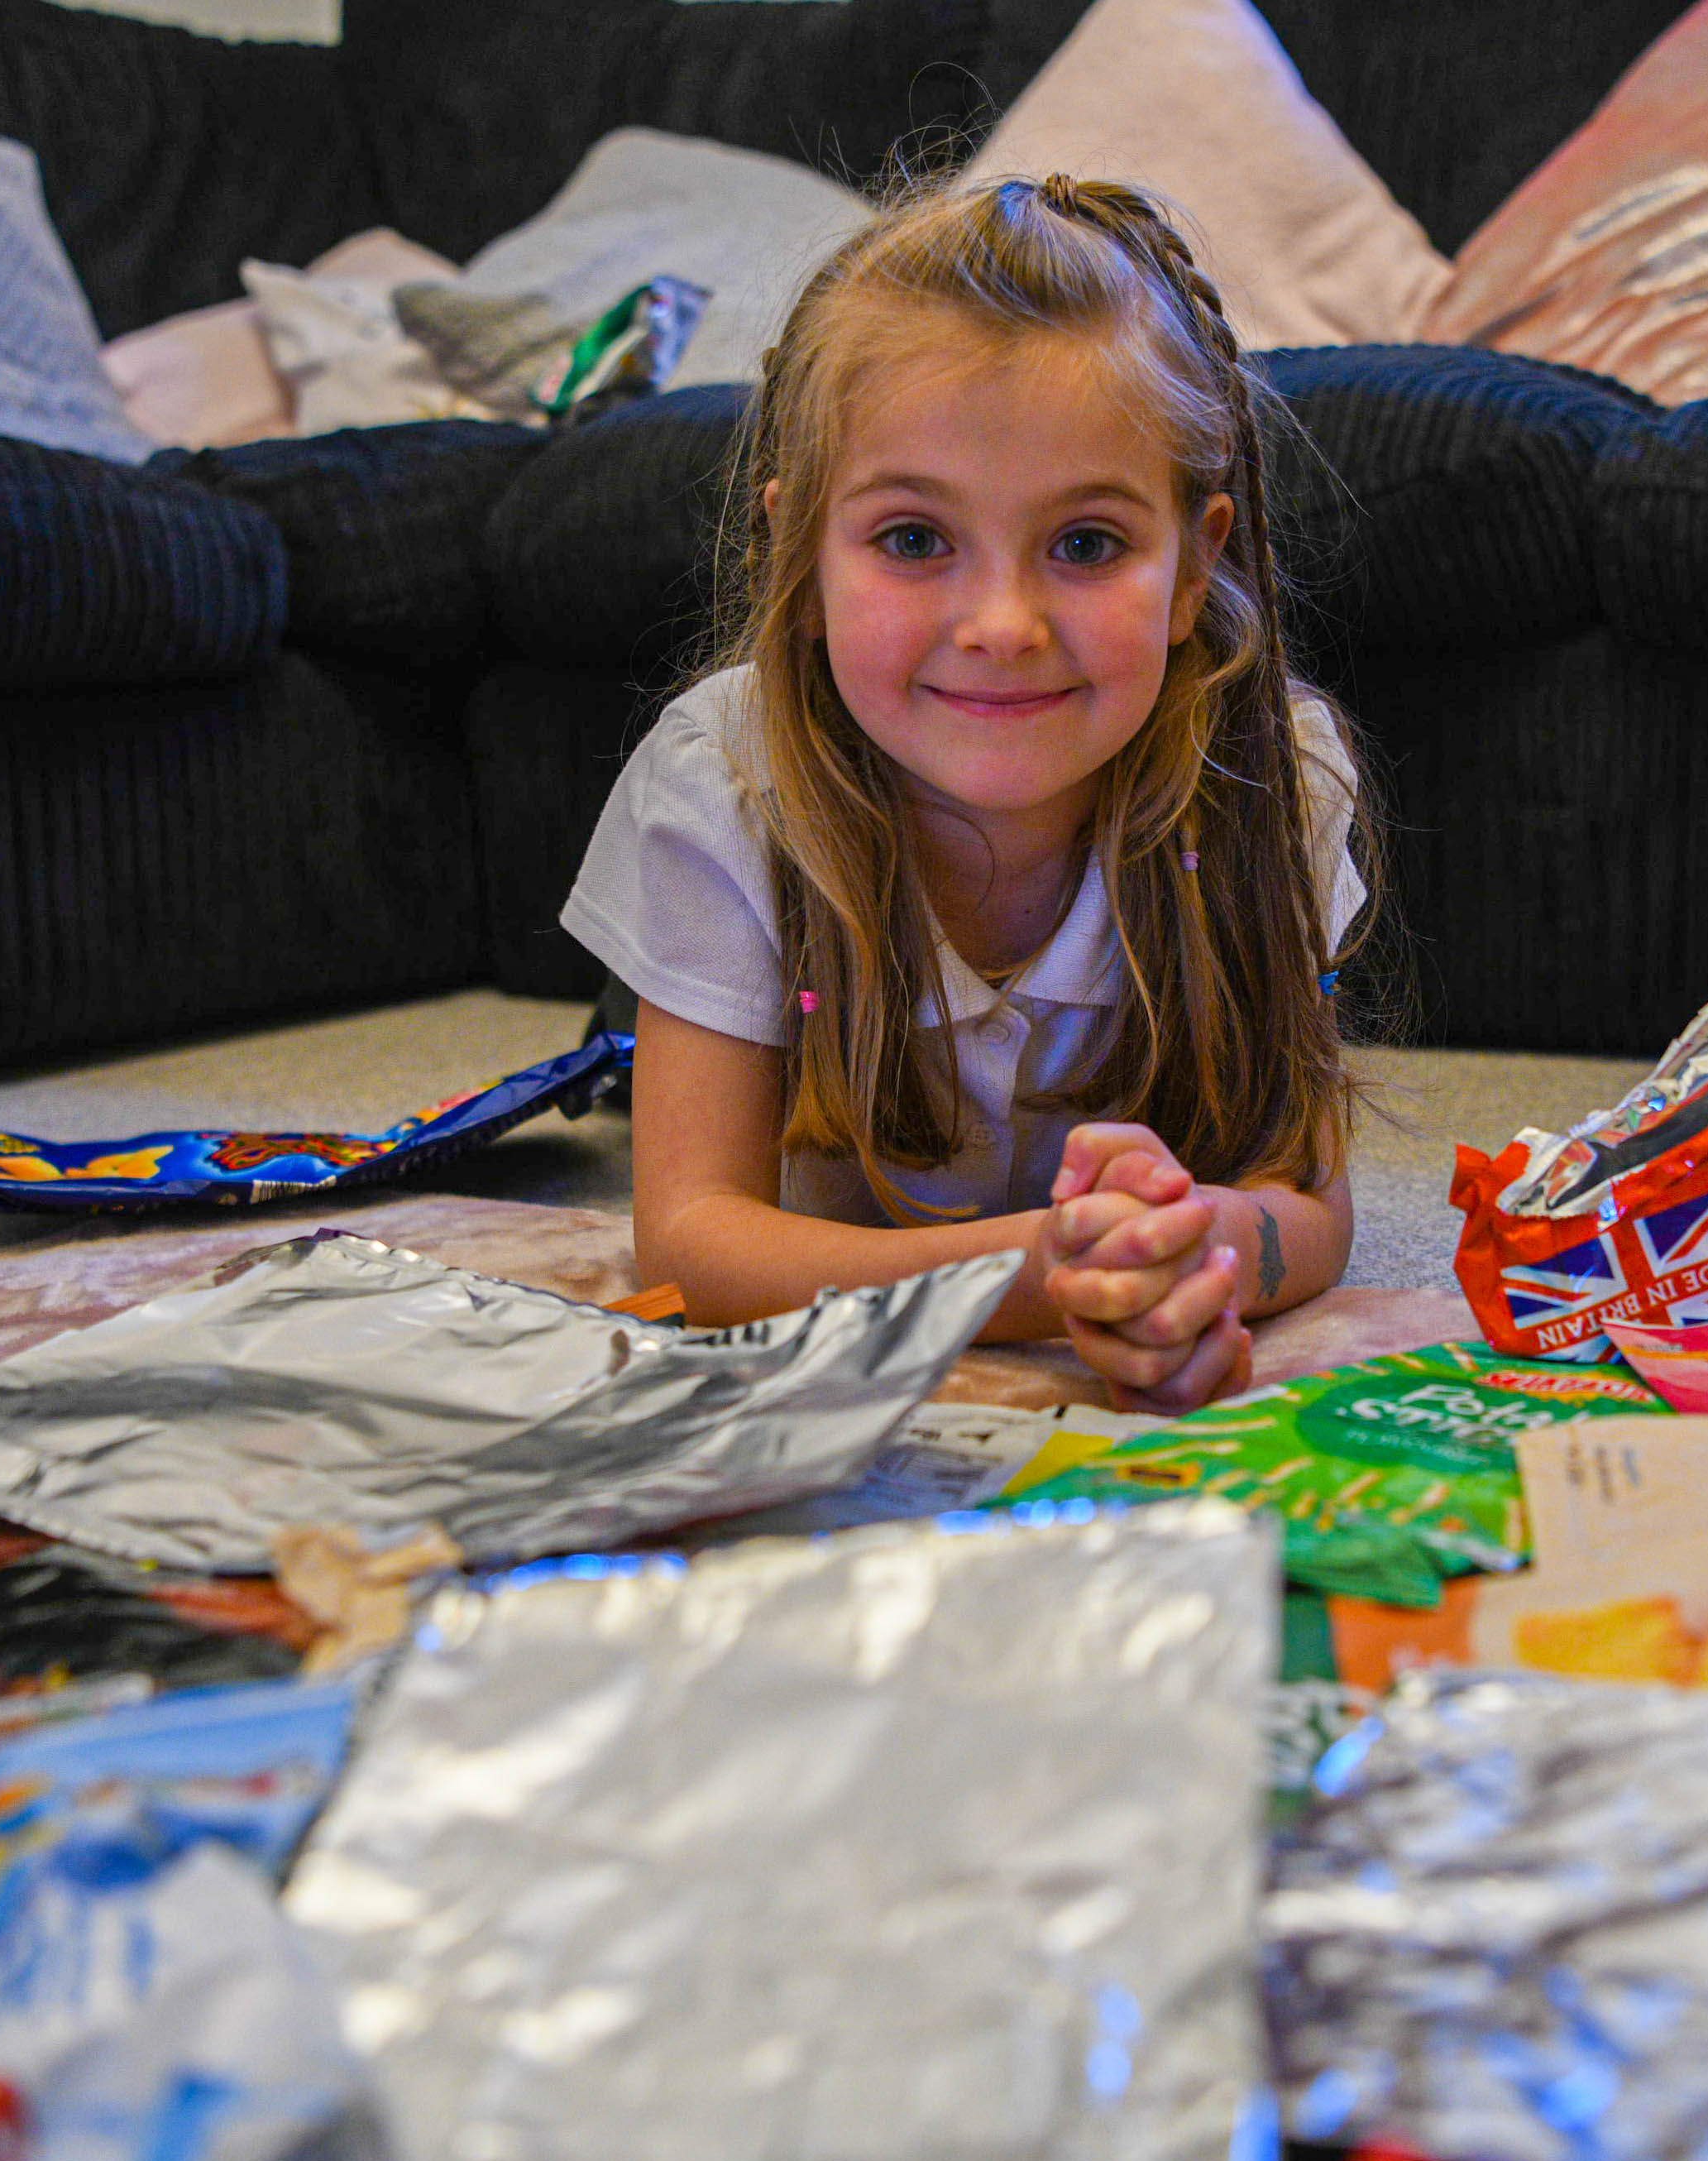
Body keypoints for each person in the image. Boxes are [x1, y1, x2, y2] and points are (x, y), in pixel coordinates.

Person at [559, 172, 1382, 1411]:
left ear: (1193, 559)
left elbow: (1308, 1202)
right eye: (912, 539)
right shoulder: (722, 780)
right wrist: (1054, 1272)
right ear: (803, 548)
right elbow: (691, 1247)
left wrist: (1194, 1250)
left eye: (1088, 544)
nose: (1003, 625)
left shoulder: (1277, 776)